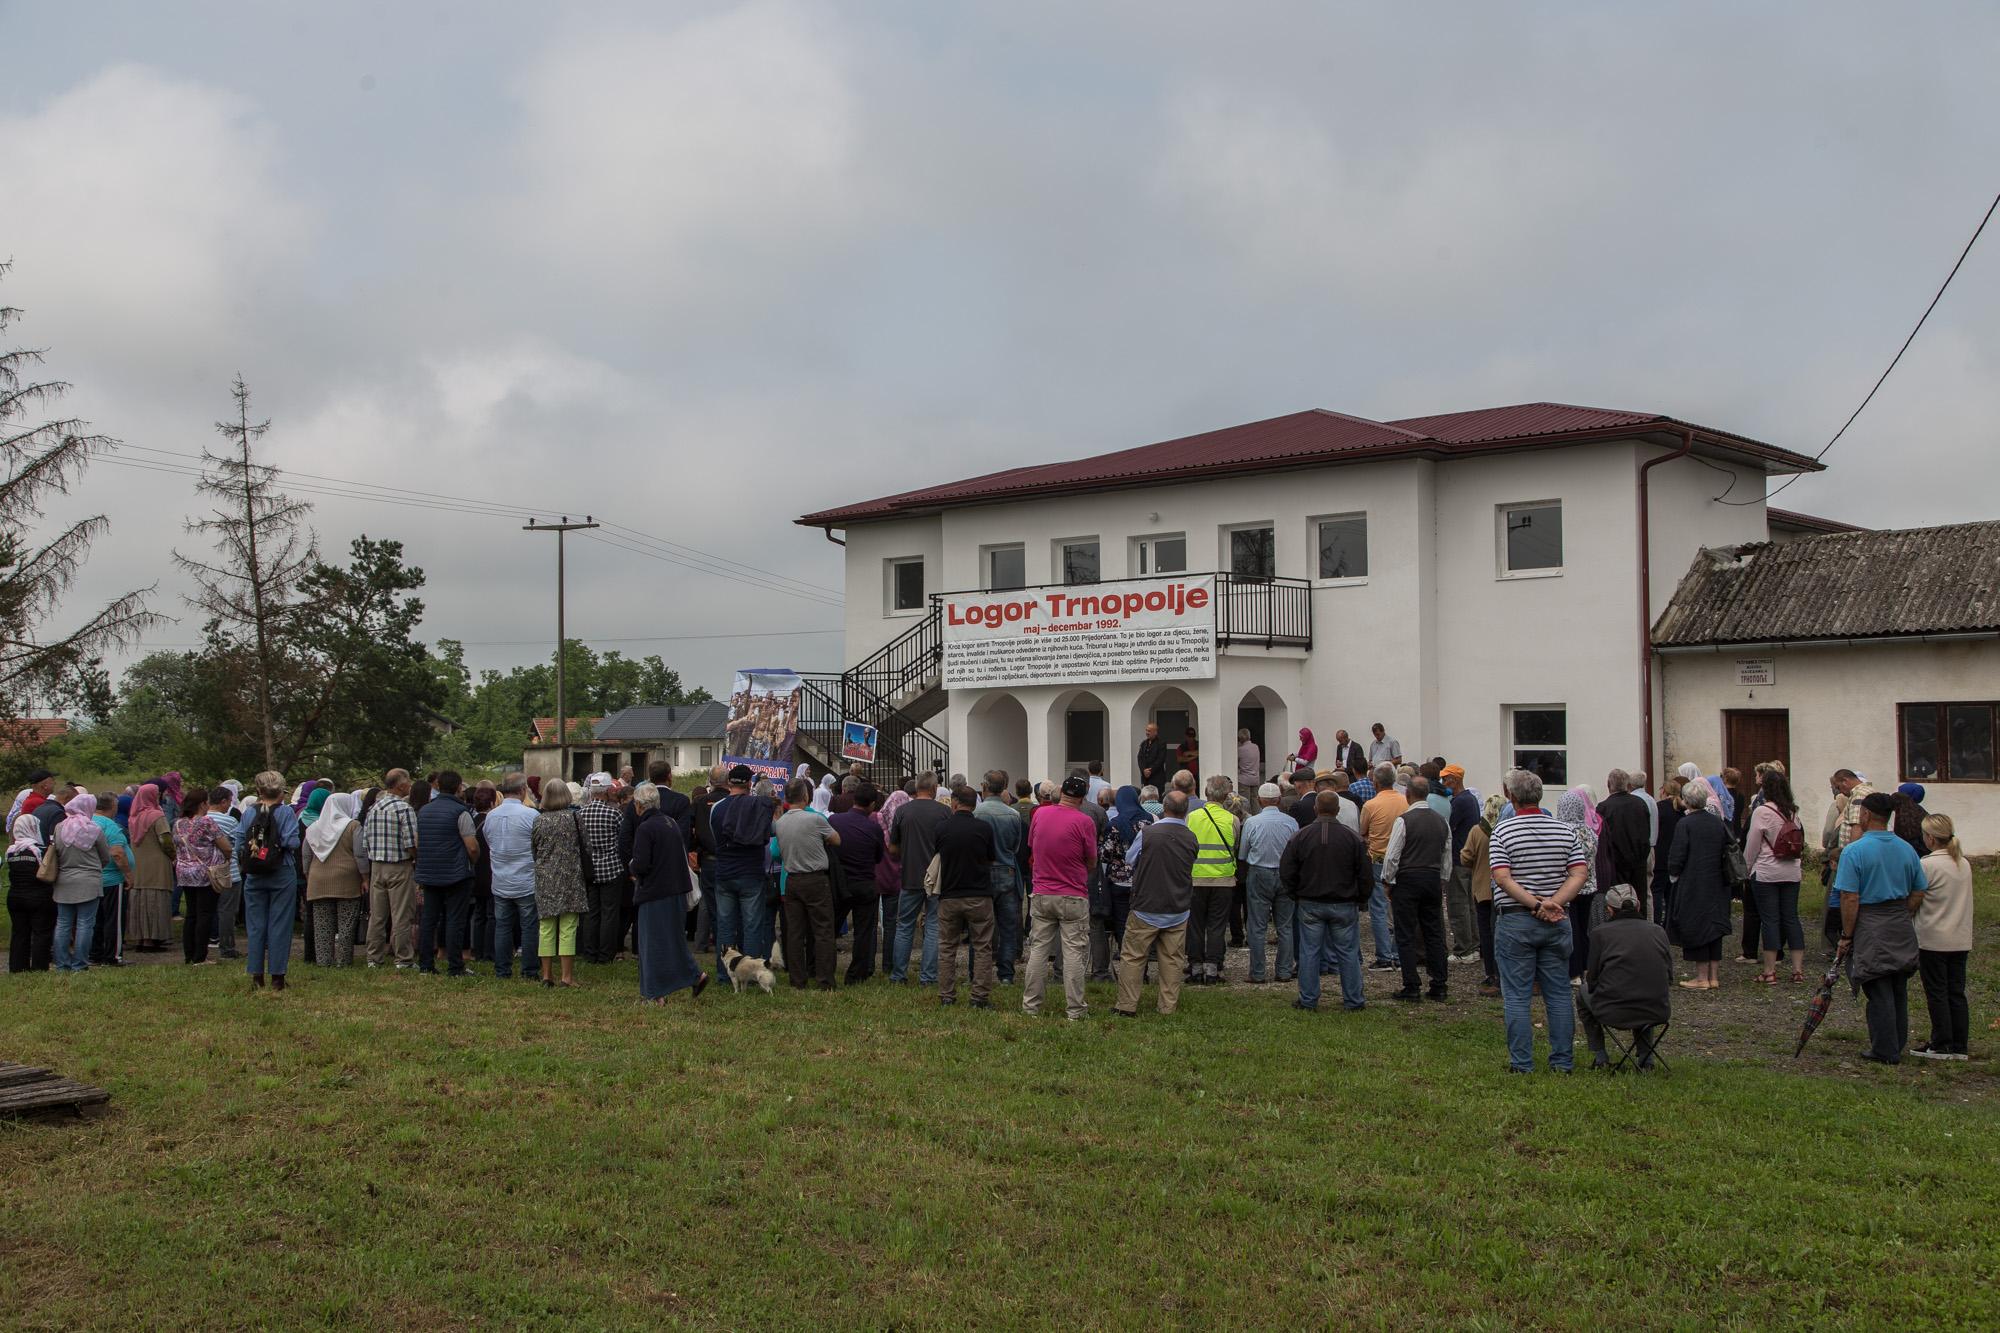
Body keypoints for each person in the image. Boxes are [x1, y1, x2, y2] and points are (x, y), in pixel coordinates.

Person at [1489, 769, 1588, 1074]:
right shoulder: (1564, 831)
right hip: (1556, 921)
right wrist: (1555, 903)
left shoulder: (1502, 833)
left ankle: (1522, 1063)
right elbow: (1579, 873)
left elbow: (1502, 878)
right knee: (1558, 993)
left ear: (1511, 796)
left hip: (1517, 919)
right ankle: (1562, 1062)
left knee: (1517, 995)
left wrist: (1535, 903)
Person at [1833, 792, 1926, 1065]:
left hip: (1871, 921)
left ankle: (1884, 1048)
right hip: (1899, 919)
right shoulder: (1906, 848)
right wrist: (1903, 911)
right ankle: (1896, 1041)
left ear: (1866, 815)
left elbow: (1850, 897)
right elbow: (1920, 889)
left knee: (1877, 984)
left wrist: (1846, 935)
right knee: (1898, 983)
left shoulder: (1855, 851)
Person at [1280, 791, 1373, 1012]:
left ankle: (1308, 999)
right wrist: (1361, 898)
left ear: (1315, 808)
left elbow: (1286, 870)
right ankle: (1353, 999)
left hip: (1310, 901)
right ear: (1338, 810)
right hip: (1343, 902)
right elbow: (1365, 873)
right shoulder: (1352, 838)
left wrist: (1296, 894)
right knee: (1348, 952)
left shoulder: (1301, 836)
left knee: (1309, 952)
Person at [1114, 789, 1198, 1018]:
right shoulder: (1191, 836)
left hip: (1146, 904)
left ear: (1164, 807)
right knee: (1172, 960)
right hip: (1178, 905)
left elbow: (1130, 859)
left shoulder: (1148, 833)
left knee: (1133, 955)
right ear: (1185, 810)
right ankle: (1167, 1007)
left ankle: (1126, 1005)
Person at [1577, 884, 1672, 1070]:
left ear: (1609, 910)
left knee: (1582, 993)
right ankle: (1646, 1058)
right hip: (1656, 1010)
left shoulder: (1600, 933)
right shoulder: (1658, 931)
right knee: (1646, 988)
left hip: (1613, 1011)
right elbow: (1668, 976)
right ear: (1638, 907)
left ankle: (1600, 1057)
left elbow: (1592, 979)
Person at [629, 781, 707, 1005]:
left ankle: (654, 994)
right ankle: (694, 975)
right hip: (676, 891)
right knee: (673, 940)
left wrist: (632, 867)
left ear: (639, 805)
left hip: (655, 892)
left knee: (650, 944)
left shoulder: (646, 828)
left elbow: (642, 864)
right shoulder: (669, 822)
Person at [1381, 775, 1451, 1001]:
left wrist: (1387, 881)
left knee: (1405, 932)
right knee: (1434, 932)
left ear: (1408, 794)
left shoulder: (1404, 820)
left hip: (1408, 878)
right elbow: (1446, 855)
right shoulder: (1442, 821)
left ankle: (1411, 984)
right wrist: (1442, 879)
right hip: (1432, 877)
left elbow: (1392, 856)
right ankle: (1439, 984)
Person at [931, 784, 997, 1008]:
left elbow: (937, 855)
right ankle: (979, 997)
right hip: (979, 894)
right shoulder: (984, 828)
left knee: (947, 947)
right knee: (982, 947)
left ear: (955, 802)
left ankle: (947, 995)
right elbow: (991, 858)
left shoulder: (941, 828)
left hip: (949, 894)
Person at [236, 771, 303, 991]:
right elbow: (292, 842)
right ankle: (277, 977)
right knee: (280, 925)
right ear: (281, 791)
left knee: (255, 926)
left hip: (254, 872)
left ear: (258, 790)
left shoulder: (248, 813)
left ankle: (256, 976)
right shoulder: (285, 813)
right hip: (281, 871)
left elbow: (239, 842)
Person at [1913, 813, 1971, 1060]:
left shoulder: (1927, 864)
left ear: (1930, 837)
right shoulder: (1963, 862)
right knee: (1956, 992)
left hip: (1933, 937)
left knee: (1936, 991)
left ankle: (1941, 1042)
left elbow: (1916, 896)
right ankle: (1959, 1044)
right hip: (1960, 936)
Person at [710, 765, 776, 979]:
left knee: (725, 925)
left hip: (725, 872)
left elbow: (715, 836)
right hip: (751, 872)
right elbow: (771, 831)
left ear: (729, 782)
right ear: (750, 783)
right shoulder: (757, 807)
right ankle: (752, 972)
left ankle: (724, 973)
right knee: (752, 926)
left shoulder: (717, 808)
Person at [774, 777, 840, 989]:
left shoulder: (780, 823)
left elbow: (775, 852)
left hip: (791, 880)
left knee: (794, 933)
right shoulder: (816, 820)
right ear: (806, 796)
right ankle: (824, 979)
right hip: (815, 879)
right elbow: (836, 840)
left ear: (786, 798)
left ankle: (797, 979)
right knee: (823, 931)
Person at [1666, 782, 1733, 989]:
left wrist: (1673, 873)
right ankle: (1714, 977)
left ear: (1686, 801)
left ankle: (1702, 977)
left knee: (1696, 925)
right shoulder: (1717, 822)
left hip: (1694, 881)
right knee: (1714, 925)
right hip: (1718, 881)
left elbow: (1677, 856)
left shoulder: (1685, 824)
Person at [1742, 768, 1805, 984]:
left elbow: (1752, 846)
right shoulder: (1793, 812)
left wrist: (1747, 869)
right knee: (1791, 918)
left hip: (1768, 870)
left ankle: (1769, 971)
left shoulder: (1762, 812)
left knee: (1770, 920)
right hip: (1792, 870)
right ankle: (1797, 970)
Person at [413, 772, 479, 978]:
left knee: (429, 919)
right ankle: (455, 966)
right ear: (459, 787)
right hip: (456, 873)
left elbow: (416, 842)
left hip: (429, 871)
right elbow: (472, 847)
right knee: (454, 920)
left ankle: (425, 964)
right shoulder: (461, 812)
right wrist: (472, 862)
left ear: (438, 785)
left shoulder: (424, 811)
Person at [888, 772, 951, 985]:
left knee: (904, 925)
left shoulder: (903, 811)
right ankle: (928, 977)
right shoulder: (944, 812)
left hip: (910, 875)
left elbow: (893, 847)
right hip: (936, 878)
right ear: (934, 789)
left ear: (916, 788)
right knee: (933, 925)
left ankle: (898, 975)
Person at [530, 777, 590, 988]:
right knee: (568, 928)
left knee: (545, 927)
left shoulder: (539, 820)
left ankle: (547, 976)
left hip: (545, 877)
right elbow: (586, 848)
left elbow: (534, 850)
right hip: (571, 878)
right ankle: (567, 976)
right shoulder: (575, 818)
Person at [483, 773, 541, 980]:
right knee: (529, 927)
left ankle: (502, 969)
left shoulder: (491, 816)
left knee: (503, 926)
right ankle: (530, 969)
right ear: (523, 790)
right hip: (526, 879)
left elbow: (489, 842)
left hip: (500, 878)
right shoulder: (531, 815)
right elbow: (538, 846)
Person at [362, 769, 421, 969]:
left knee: (377, 915)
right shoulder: (404, 808)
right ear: (400, 784)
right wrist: (416, 858)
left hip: (377, 866)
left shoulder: (373, 808)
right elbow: (411, 842)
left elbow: (366, 841)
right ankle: (403, 958)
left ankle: (373, 957)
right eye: (408, 781)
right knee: (402, 914)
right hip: (399, 865)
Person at [1240, 783, 1298, 984]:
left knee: (1257, 925)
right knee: (1285, 925)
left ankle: (1257, 972)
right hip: (1284, 873)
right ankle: (1283, 970)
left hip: (1259, 872)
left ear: (1259, 800)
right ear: (1279, 800)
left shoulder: (1252, 822)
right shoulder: (1291, 822)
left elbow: (1243, 853)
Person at [1184, 775, 1238, 985]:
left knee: (1195, 925)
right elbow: (1235, 845)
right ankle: (1213, 969)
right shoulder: (1232, 819)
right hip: (1223, 879)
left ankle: (1195, 968)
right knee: (1217, 926)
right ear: (1226, 796)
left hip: (1196, 878)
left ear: (1206, 793)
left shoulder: (1192, 817)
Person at [302, 791, 366, 967]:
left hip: (318, 880)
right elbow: (360, 855)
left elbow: (306, 856)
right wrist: (365, 877)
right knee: (346, 924)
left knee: (322, 925)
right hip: (347, 880)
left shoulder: (314, 827)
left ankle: (323, 960)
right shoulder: (353, 826)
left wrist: (309, 875)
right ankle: (343, 960)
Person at [973, 771, 1025, 985]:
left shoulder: (977, 812)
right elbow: (1015, 846)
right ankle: (1006, 974)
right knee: (1008, 926)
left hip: (983, 871)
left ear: (985, 786)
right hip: (1006, 870)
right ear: (1004, 787)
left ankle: (977, 972)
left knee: (979, 926)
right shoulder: (1012, 815)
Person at [830, 785, 886, 983]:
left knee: (830, 929)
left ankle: (825, 969)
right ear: (871, 805)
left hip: (840, 883)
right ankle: (856, 974)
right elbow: (879, 856)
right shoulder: (874, 828)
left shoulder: (835, 820)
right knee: (864, 932)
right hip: (864, 883)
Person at [173, 789, 231, 965]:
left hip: (184, 872)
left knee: (191, 914)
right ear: (202, 804)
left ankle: (189, 954)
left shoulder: (178, 823)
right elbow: (226, 846)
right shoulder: (206, 822)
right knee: (205, 914)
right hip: (205, 872)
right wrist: (226, 859)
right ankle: (200, 956)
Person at [576, 773, 627, 965]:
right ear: (607, 791)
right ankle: (606, 954)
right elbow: (622, 842)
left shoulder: (580, 813)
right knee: (610, 913)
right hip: (611, 867)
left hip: (589, 868)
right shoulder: (614, 813)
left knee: (591, 913)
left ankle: (590, 952)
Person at [1358, 765, 1405, 971]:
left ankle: (1385, 956)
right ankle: (1398, 952)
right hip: (1402, 858)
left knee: (1378, 908)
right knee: (1399, 907)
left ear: (1375, 783)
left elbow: (1362, 831)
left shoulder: (1371, 804)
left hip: (1378, 858)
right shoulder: (1406, 801)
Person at [1458, 792, 1504, 996]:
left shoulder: (1478, 831)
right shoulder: (1506, 829)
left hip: (1482, 888)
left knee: (1486, 931)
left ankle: (1491, 972)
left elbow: (1466, 857)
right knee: (1501, 931)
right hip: (1505, 890)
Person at [1554, 788, 1602, 981]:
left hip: (1569, 888)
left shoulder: (1563, 832)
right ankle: (1586, 968)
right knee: (1584, 929)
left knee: (1570, 930)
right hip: (1589, 887)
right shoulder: (1589, 832)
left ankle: (1573, 972)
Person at [125, 782, 174, 951]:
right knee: (156, 900)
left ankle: (140, 938)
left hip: (137, 865)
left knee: (140, 901)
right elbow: (166, 840)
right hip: (157, 864)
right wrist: (174, 856)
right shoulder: (157, 816)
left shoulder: (133, 817)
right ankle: (154, 938)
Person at [1595, 770, 1651, 916]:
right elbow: (1646, 833)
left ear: (1608, 785)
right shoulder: (1640, 803)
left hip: (1616, 863)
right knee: (1639, 900)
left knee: (1617, 902)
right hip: (1638, 860)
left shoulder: (1603, 807)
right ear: (1628, 785)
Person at [7, 812, 55, 972]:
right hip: (39, 897)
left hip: (15, 896)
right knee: (41, 932)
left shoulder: (12, 851)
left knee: (19, 933)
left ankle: (17, 967)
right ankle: (39, 967)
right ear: (34, 827)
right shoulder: (40, 849)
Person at [88, 793, 132, 967]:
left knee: (95, 918)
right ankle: (113, 955)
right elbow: (117, 853)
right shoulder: (110, 826)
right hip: (112, 879)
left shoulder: (88, 821)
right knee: (113, 919)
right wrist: (128, 874)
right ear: (112, 806)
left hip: (93, 878)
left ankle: (95, 953)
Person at [203, 786, 242, 960]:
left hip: (206, 872)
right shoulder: (230, 821)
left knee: (207, 909)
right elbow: (238, 844)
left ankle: (204, 942)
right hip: (228, 871)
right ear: (224, 801)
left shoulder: (201, 820)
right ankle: (227, 947)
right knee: (227, 911)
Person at [1652, 777, 1686, 932]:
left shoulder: (1658, 808)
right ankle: (1670, 925)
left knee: (1657, 892)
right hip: (1676, 857)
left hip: (1659, 856)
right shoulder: (1682, 810)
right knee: (1671, 894)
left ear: (1664, 791)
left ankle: (1656, 923)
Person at [1136, 721, 1169, 790]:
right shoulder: (1144, 743)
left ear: (1155, 732)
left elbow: (1160, 759)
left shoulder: (1161, 744)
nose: (1147, 733)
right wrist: (1144, 770)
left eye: (1149, 731)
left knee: (1158, 798)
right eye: (1146, 730)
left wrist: (1150, 771)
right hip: (1146, 779)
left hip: (1157, 778)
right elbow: (1140, 758)